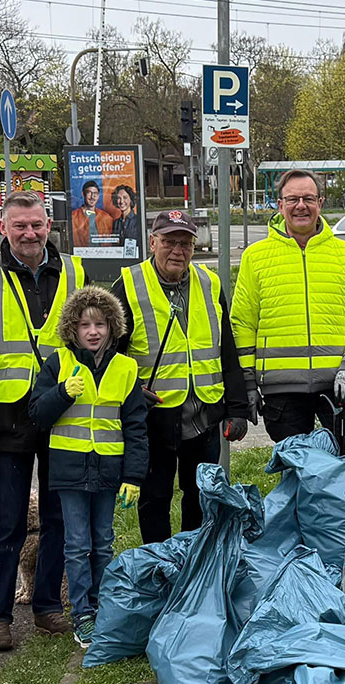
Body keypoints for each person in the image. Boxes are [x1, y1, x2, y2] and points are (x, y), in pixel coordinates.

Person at [0, 190, 84, 652]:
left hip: (63, 413)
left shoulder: (73, 270)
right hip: (7, 418)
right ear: (3, 228)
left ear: (49, 225)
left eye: (37, 225)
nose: (29, 234)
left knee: (57, 516)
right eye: (19, 226)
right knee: (6, 520)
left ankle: (48, 605)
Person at [112, 209, 250, 543]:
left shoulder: (209, 282)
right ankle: (158, 566)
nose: (178, 250)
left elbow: (226, 349)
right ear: (152, 242)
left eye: (186, 243)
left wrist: (237, 408)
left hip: (204, 413)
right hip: (154, 417)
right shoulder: (128, 285)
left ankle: (192, 564)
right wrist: (130, 391)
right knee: (155, 497)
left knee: (199, 496)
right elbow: (107, 355)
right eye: (170, 242)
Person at [29, 286, 148, 649]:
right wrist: (63, 391)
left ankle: (102, 605)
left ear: (112, 327)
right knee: (77, 544)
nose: (93, 331)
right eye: (84, 325)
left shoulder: (126, 368)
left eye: (100, 324)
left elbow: (136, 427)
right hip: (69, 469)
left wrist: (133, 477)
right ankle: (82, 612)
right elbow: (36, 414)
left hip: (109, 470)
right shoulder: (57, 363)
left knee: (104, 543)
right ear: (73, 330)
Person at [231, 169, 345, 453]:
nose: (301, 206)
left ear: (320, 203)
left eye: (308, 198)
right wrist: (248, 381)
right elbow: (243, 323)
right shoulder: (255, 257)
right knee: (298, 478)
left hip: (338, 385)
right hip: (281, 392)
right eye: (293, 199)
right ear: (279, 204)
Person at [71, 180, 114, 248]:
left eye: (95, 193)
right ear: (83, 194)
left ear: (98, 196)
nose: (92, 197)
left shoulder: (106, 217)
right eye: (89, 193)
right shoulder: (73, 217)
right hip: (82, 256)